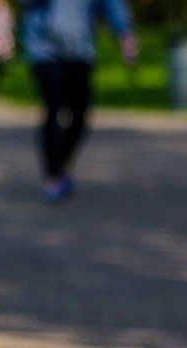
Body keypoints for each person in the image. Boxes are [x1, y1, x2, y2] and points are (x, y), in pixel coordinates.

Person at [21, 0, 138, 203]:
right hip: (45, 49)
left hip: (80, 48)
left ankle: (61, 164)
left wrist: (124, 32)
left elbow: (111, 3)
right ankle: (53, 174)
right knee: (53, 108)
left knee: (80, 113)